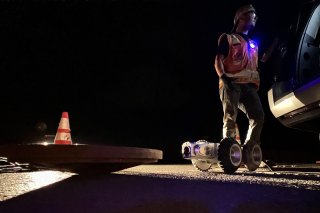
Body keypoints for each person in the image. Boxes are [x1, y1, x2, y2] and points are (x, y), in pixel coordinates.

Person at [214, 4, 264, 170]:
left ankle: (249, 151)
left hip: (249, 88)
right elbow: (218, 60)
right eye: (252, 14)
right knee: (230, 116)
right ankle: (228, 153)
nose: (255, 18)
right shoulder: (228, 38)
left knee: (258, 115)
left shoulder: (254, 44)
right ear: (241, 18)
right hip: (232, 84)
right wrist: (223, 78)